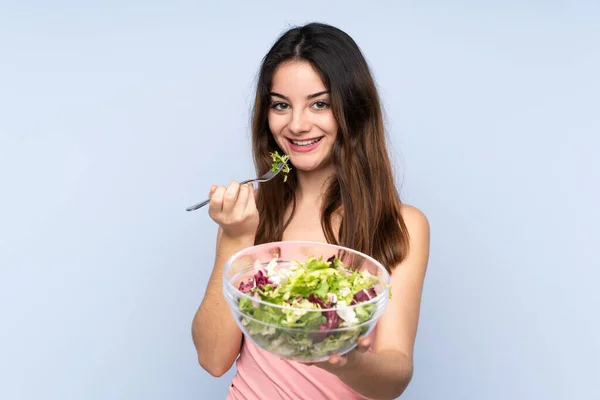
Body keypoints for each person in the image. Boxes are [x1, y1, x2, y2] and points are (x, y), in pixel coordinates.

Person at [191, 22, 430, 400]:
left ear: (352, 108)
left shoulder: (401, 225)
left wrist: (347, 361)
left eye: (319, 103)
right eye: (281, 105)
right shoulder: (250, 215)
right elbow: (212, 358)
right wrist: (234, 238)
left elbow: (394, 378)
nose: (297, 125)